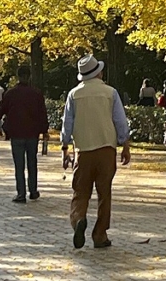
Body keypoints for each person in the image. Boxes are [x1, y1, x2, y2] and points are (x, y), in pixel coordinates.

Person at [61, 54, 130, 250]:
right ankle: (100, 235)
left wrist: (65, 147)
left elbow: (68, 123)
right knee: (104, 193)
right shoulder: (110, 93)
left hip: (83, 149)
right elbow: (120, 120)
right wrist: (125, 144)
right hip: (106, 148)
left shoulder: (74, 94)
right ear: (98, 72)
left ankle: (78, 218)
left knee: (80, 191)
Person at [0, 66, 48, 202]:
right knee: (32, 162)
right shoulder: (36, 93)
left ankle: (21, 193)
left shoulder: (11, 93)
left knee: (19, 165)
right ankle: (33, 190)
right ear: (29, 76)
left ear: (18, 76)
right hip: (32, 133)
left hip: (16, 133)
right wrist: (44, 130)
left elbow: (1, 109)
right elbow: (42, 113)